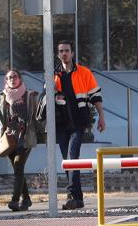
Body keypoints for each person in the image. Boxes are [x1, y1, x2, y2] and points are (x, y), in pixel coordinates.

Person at [53, 40, 104, 210]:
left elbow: (96, 96)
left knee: (72, 158)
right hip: (60, 124)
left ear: (72, 53)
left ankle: (72, 196)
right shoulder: (53, 74)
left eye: (67, 50)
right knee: (67, 161)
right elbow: (47, 98)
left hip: (78, 123)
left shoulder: (84, 73)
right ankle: (78, 198)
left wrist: (102, 117)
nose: (64, 54)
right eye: (61, 51)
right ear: (58, 54)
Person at [0, 68, 38, 211]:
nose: (12, 79)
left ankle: (15, 200)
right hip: (9, 138)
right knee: (18, 169)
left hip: (25, 137)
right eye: (9, 77)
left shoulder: (29, 95)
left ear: (20, 79)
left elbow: (37, 115)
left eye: (14, 77)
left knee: (18, 165)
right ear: (6, 80)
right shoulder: (3, 96)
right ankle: (26, 199)